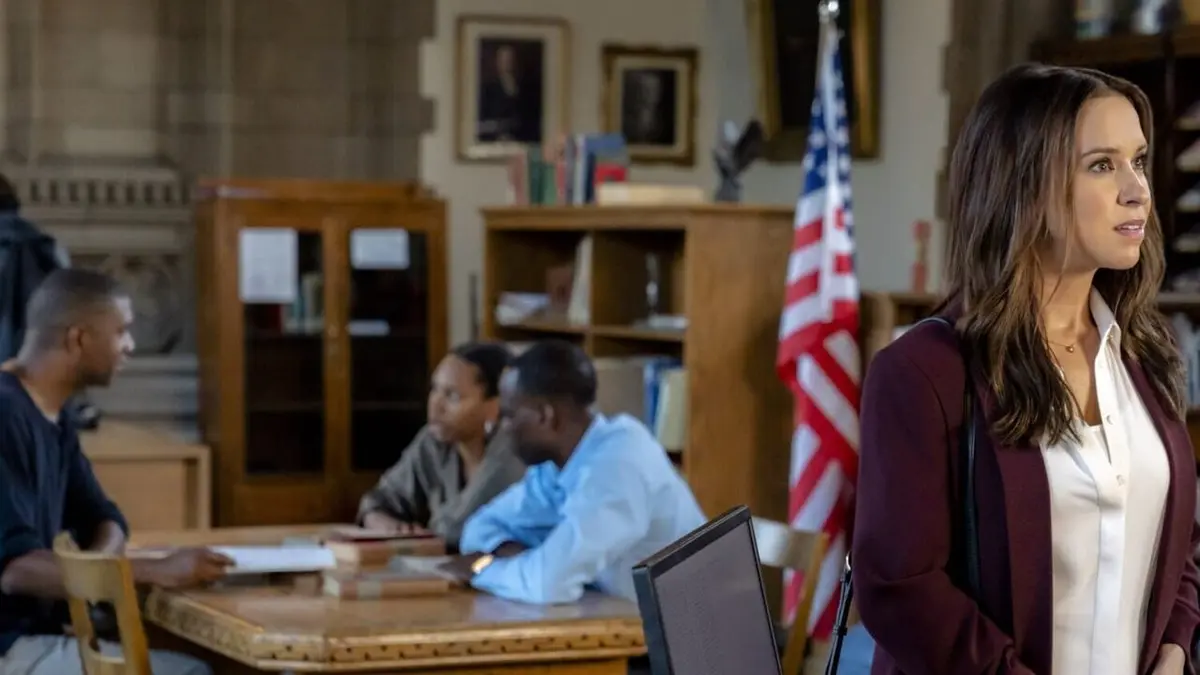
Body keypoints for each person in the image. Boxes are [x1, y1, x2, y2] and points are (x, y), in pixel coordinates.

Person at [852, 62, 1200, 675]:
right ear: (1025, 185)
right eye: (1102, 165)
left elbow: (1176, 543)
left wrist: (1174, 648)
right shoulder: (923, 373)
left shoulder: (1147, 352)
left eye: (1138, 161)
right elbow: (901, 589)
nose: (1138, 191)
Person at [0, 269, 232, 675]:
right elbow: (16, 571)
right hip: (10, 648)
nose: (130, 346)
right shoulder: (5, 414)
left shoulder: (55, 415)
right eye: (121, 331)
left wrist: (96, 577)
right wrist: (155, 570)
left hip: (42, 632)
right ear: (78, 339)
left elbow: (105, 518)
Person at [438, 339, 705, 604]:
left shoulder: (619, 465)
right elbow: (478, 530)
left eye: (509, 415)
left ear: (545, 416)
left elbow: (549, 584)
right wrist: (527, 559)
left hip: (694, 622)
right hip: (626, 613)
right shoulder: (556, 465)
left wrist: (482, 571)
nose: (502, 428)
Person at [356, 342, 526, 551]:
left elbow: (456, 530)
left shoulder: (514, 449)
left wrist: (419, 539)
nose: (435, 405)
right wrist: (384, 523)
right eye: (434, 389)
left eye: (452, 396)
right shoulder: (434, 441)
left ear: (495, 406)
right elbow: (381, 498)